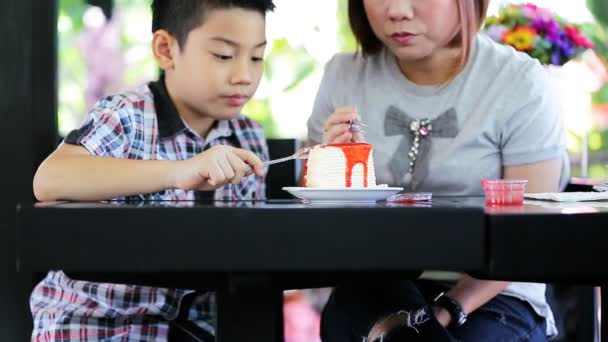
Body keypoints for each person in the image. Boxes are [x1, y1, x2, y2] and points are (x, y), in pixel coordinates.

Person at [307, 0, 569, 341]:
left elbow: (528, 233)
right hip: (374, 287)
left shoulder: (519, 82)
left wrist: (451, 307)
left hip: (494, 295)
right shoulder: (344, 75)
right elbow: (313, 212)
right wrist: (334, 166)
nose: (398, 10)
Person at [31, 0, 275, 340]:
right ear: (166, 50)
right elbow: (50, 178)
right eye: (223, 55)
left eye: (256, 57)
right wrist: (178, 171)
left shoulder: (247, 137)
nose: (244, 76)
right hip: (96, 327)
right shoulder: (128, 115)